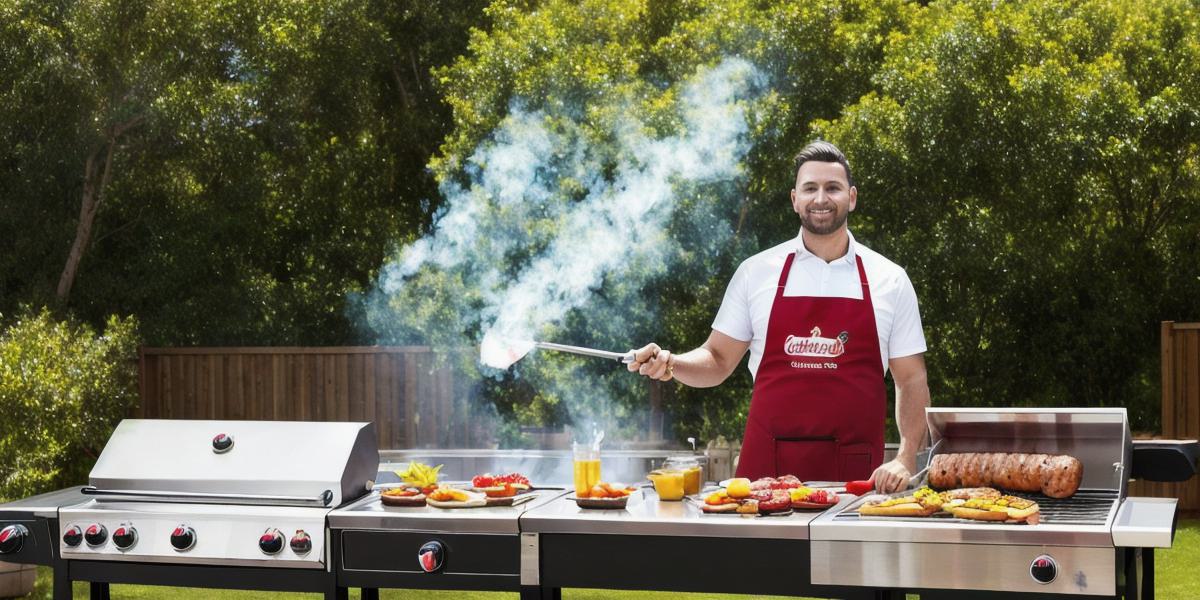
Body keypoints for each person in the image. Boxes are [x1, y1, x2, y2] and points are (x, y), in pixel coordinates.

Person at [628, 141, 929, 494]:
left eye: (832, 188)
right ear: (794, 199)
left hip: (854, 482)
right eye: (810, 188)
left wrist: (906, 458)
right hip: (763, 483)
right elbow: (718, 358)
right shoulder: (757, 272)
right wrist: (672, 363)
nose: (821, 198)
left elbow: (911, 379)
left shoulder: (889, 279)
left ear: (852, 197)